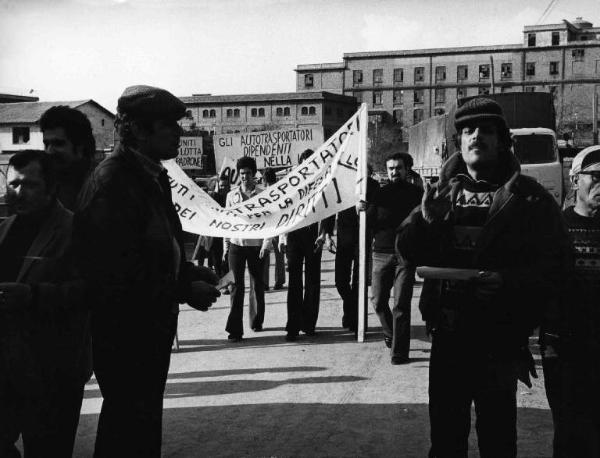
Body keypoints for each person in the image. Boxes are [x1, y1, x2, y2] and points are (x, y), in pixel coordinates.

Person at [397, 97, 566, 458]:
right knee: (445, 438)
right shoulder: (441, 193)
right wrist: (427, 221)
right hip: (449, 333)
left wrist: (507, 283)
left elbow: (553, 268)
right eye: (468, 131)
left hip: (500, 338)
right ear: (459, 141)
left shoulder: (529, 198)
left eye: (486, 131)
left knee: (498, 438)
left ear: (503, 140)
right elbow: (408, 252)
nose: (476, 137)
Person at [74, 85, 220, 457]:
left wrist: (186, 273)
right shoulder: (113, 181)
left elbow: (156, 245)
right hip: (125, 331)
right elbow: (114, 272)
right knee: (128, 425)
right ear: (139, 130)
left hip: (147, 326)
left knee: (140, 423)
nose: (178, 133)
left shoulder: (151, 175)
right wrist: (183, 290)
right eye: (168, 126)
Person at [0, 150, 90, 457]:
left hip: (53, 371)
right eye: (12, 184)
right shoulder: (4, 229)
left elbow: (93, 291)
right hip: (7, 368)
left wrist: (34, 295)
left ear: (51, 188)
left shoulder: (76, 229)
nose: (18, 192)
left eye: (29, 185)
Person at [542, 145, 600, 457]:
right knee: (570, 432)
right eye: (596, 176)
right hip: (565, 349)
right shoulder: (555, 229)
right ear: (575, 180)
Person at [359, 153, 422, 363]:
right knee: (377, 301)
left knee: (401, 305)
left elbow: (425, 223)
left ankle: (399, 352)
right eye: (391, 169)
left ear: (406, 170)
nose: (394, 172)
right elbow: (369, 222)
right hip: (381, 254)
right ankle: (390, 333)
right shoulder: (379, 194)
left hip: (405, 257)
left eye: (398, 168)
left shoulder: (417, 194)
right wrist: (361, 210)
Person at [279, 149, 335, 342]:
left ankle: (309, 323)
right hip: (295, 235)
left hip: (314, 235)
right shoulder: (291, 186)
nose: (307, 165)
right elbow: (283, 212)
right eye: (304, 162)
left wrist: (324, 234)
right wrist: (282, 237)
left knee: (312, 281)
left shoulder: (324, 182)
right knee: (294, 281)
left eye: (311, 162)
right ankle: (292, 326)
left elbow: (329, 210)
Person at [223, 156, 272, 340]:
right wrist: (225, 246)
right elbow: (227, 223)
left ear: (254, 174)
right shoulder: (231, 196)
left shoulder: (263, 195)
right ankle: (235, 329)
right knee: (235, 286)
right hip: (236, 244)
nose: (244, 177)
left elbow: (270, 222)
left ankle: (256, 320)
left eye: (248, 173)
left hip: (256, 246)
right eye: (241, 173)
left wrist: (266, 244)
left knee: (256, 285)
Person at [335, 164, 379, 333]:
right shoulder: (343, 183)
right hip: (344, 238)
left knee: (359, 282)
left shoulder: (374, 186)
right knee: (341, 282)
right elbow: (332, 207)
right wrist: (325, 232)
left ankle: (356, 321)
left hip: (363, 238)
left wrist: (365, 209)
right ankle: (351, 308)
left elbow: (376, 210)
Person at [40, 105, 97, 211]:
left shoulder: (100, 184)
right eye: (46, 144)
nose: (49, 151)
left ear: (80, 147)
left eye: (58, 144)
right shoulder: (47, 182)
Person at [259, 167, 285, 290]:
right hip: (279, 226)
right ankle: (279, 280)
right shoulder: (281, 191)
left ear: (264, 180)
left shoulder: (262, 194)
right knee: (279, 255)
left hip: (268, 227)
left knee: (265, 254)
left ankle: (264, 282)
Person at [207, 173, 230, 278]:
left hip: (228, 235)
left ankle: (227, 283)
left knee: (227, 262)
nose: (223, 188)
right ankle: (222, 284)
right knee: (217, 261)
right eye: (221, 185)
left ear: (229, 186)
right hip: (216, 236)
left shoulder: (232, 197)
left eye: (225, 185)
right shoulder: (214, 197)